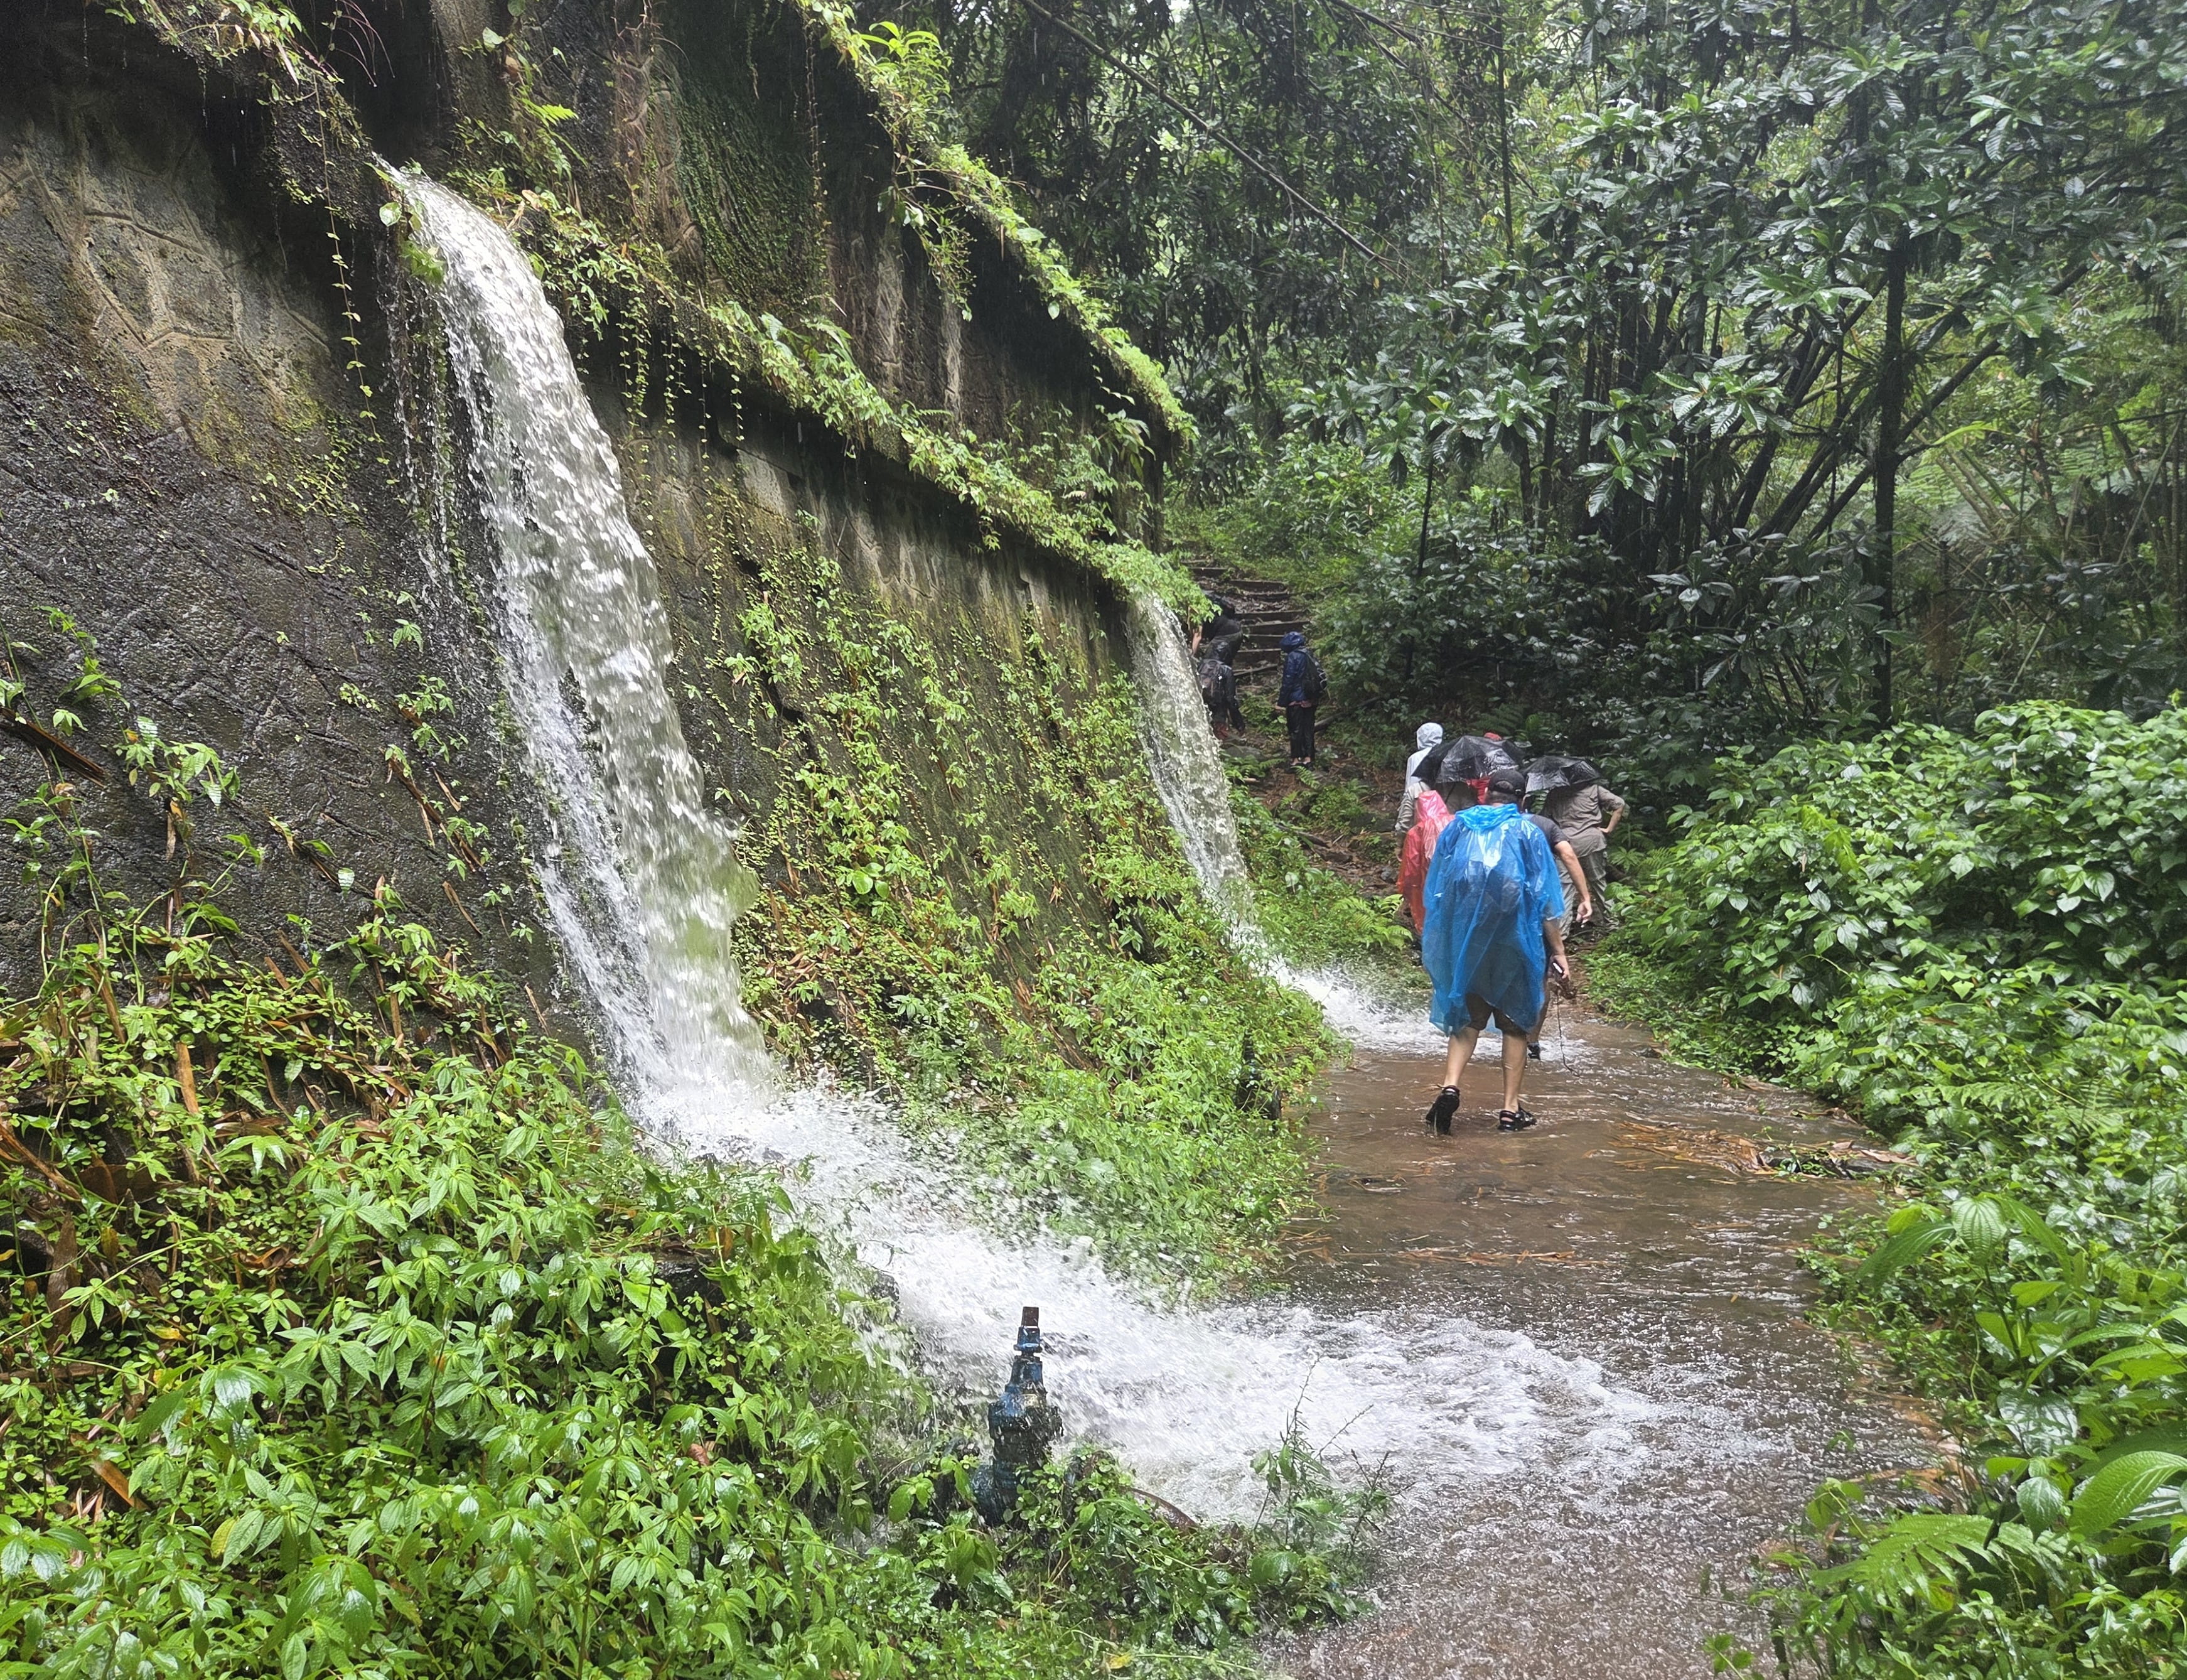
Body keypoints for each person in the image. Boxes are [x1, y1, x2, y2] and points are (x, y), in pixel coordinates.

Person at [1419, 767, 1569, 1134]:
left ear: (1486, 795)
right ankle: (1509, 1110)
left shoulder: (1458, 826)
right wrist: (1559, 952)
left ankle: (1451, 1086)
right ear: (1522, 800)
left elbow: (1439, 887)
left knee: (1467, 1021)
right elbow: (1545, 899)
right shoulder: (1528, 832)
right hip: (1517, 943)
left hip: (1468, 942)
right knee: (1516, 1025)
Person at [1543, 772, 1627, 929]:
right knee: (1598, 883)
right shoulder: (1594, 789)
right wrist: (1609, 829)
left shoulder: (1554, 794)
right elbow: (1619, 804)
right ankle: (1613, 924)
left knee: (1565, 888)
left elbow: (1547, 820)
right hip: (1592, 842)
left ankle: (1561, 932)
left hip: (1565, 844)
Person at [1277, 630, 1325, 767]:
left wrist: (1282, 702)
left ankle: (1296, 759)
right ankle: (1309, 758)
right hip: (1311, 699)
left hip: (1296, 700)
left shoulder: (1293, 657)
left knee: (1295, 729)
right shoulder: (1310, 655)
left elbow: (1288, 681)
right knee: (1308, 729)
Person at [1396, 721, 1444, 833]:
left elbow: (1411, 784)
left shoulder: (1415, 758)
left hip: (1421, 798)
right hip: (1442, 801)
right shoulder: (1445, 753)